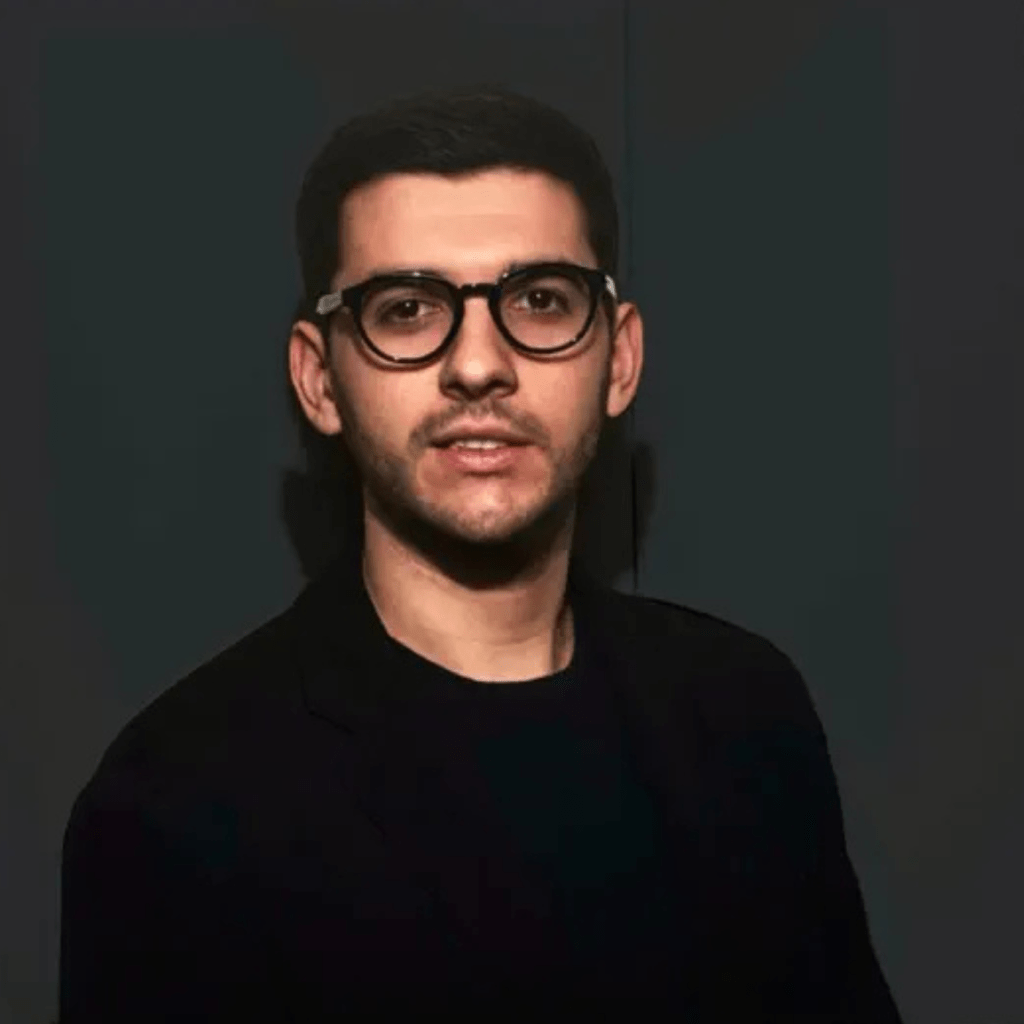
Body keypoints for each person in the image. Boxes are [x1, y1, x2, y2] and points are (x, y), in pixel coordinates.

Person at [59, 86, 903, 1021]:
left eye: (540, 301)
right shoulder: (178, 805)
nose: (478, 364)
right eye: (406, 309)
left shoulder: (747, 716)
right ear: (319, 378)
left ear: (619, 360)